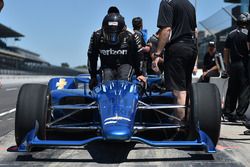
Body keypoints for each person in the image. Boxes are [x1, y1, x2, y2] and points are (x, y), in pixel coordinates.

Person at [154, 0, 198, 121]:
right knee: (186, 88)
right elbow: (196, 32)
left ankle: (181, 128)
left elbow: (166, 30)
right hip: (191, 48)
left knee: (179, 91)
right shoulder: (190, 5)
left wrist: (157, 53)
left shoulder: (167, 3)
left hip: (177, 48)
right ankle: (188, 123)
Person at [87, 8, 146, 90]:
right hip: (107, 65)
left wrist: (140, 74)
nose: (112, 36)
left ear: (122, 30)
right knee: (106, 83)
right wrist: (93, 76)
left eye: (115, 33)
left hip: (125, 64)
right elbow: (92, 56)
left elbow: (138, 55)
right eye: (109, 32)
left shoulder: (131, 35)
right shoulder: (96, 35)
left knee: (124, 80)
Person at [223, 13, 250, 122]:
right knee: (245, 89)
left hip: (233, 64)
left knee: (232, 89)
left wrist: (227, 65)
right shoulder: (248, 34)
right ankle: (240, 114)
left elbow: (226, 50)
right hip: (244, 64)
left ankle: (228, 113)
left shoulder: (231, 34)